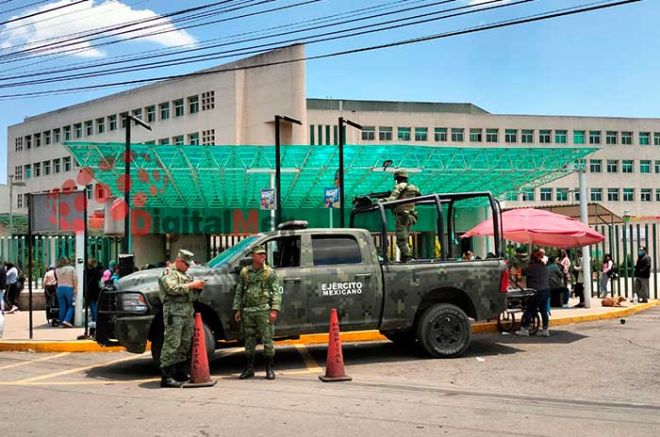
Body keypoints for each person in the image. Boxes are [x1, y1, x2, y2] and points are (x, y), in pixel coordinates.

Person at [233, 245, 282, 380]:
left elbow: (276, 292)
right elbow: (239, 291)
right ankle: (249, 369)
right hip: (248, 311)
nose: (263, 256)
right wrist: (237, 309)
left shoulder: (269, 273)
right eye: (259, 254)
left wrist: (274, 309)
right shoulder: (245, 272)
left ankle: (269, 369)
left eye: (264, 254)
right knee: (249, 341)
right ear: (253, 256)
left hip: (263, 310)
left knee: (267, 340)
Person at [158, 249, 205, 388]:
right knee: (172, 343)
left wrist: (198, 288)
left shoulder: (185, 274)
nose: (188, 267)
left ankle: (179, 372)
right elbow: (172, 289)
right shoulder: (168, 273)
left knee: (184, 343)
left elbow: (191, 294)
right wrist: (192, 285)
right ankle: (166, 376)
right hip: (174, 312)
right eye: (186, 264)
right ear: (179, 260)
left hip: (187, 312)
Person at [381, 169, 421, 262]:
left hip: (402, 217)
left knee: (401, 240)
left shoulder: (399, 186)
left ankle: (407, 257)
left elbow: (392, 199)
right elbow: (419, 197)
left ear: (397, 178)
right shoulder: (414, 187)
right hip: (411, 216)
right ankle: (407, 256)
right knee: (405, 237)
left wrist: (381, 201)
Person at [516, 249, 551, 337]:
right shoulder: (544, 266)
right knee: (543, 311)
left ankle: (524, 328)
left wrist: (519, 269)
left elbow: (521, 274)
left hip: (537, 292)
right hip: (546, 290)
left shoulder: (532, 267)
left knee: (530, 309)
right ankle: (545, 330)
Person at [55, 257, 78, 328]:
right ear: (67, 261)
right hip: (69, 288)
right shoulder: (71, 269)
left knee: (62, 306)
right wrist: (76, 288)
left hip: (59, 288)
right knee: (71, 305)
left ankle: (61, 323)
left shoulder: (56, 270)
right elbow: (75, 279)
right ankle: (67, 320)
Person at [85, 258, 103, 324]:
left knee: (92, 304)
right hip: (96, 289)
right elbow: (99, 280)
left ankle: (94, 318)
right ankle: (95, 318)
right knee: (94, 304)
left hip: (89, 289)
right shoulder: (96, 271)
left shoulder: (86, 271)